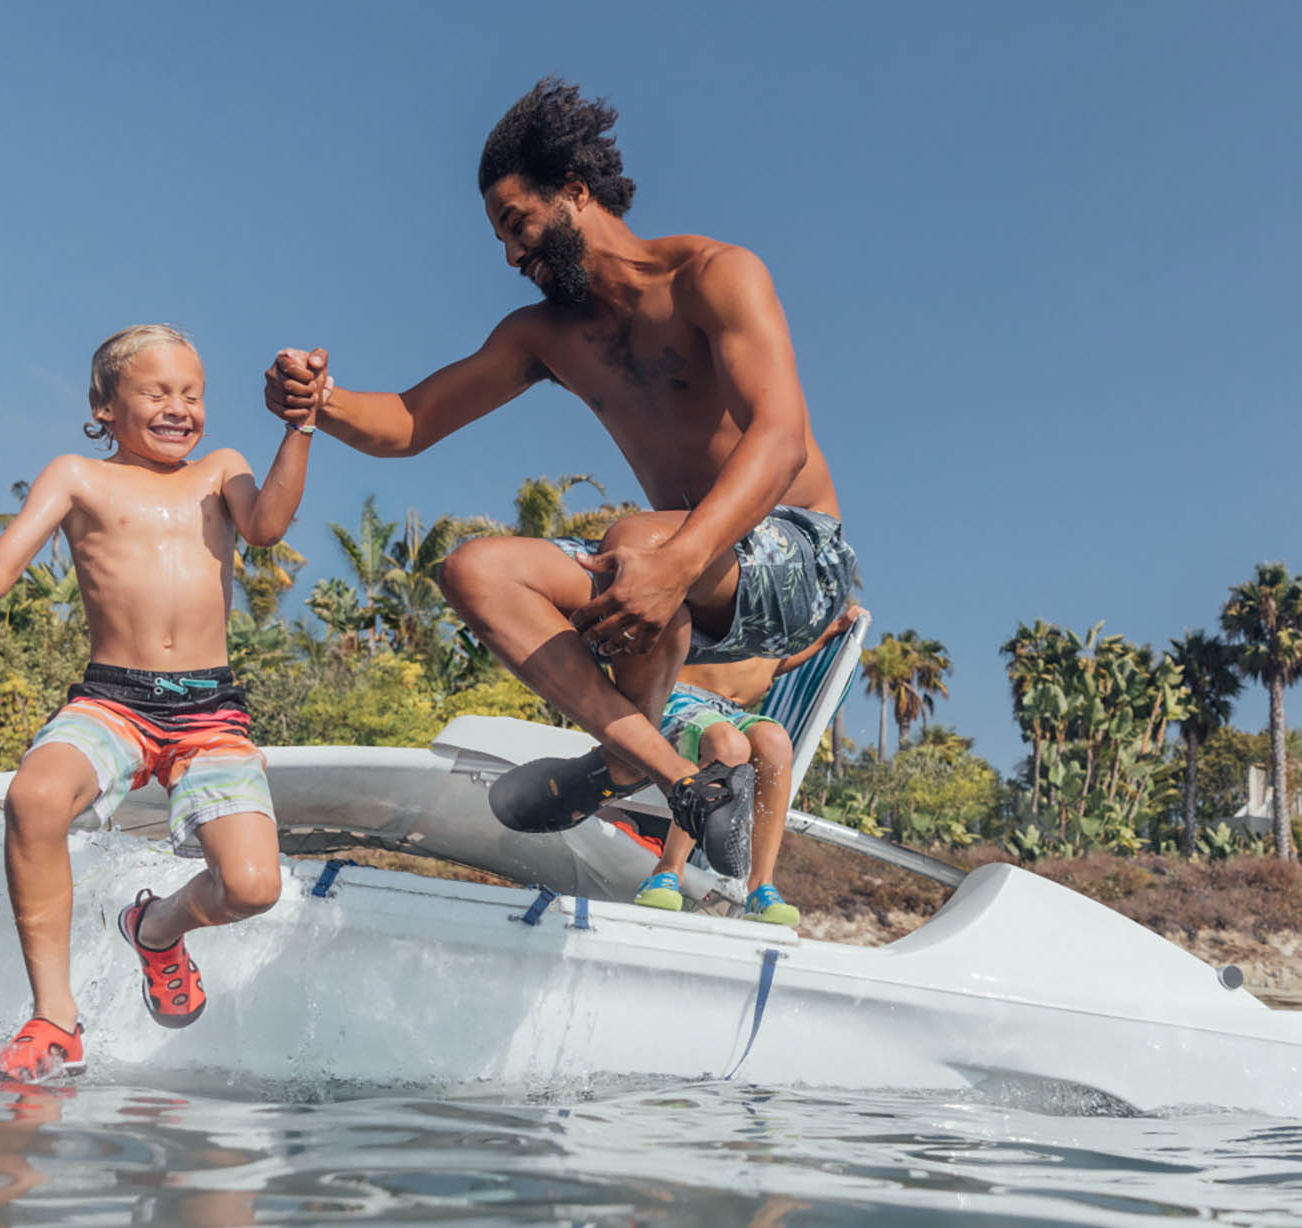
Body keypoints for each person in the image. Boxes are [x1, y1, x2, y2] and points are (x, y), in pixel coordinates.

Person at [265, 78, 856, 880]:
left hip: (798, 557)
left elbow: (781, 438)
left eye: (519, 225)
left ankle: (614, 763)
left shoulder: (711, 275)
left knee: (635, 541)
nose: (512, 256)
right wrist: (320, 401)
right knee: (474, 569)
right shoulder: (542, 336)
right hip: (680, 569)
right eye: (502, 240)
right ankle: (666, 772)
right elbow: (409, 421)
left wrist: (675, 564)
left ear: (575, 194)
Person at [0, 323, 316, 1081]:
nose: (178, 407)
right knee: (35, 796)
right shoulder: (76, 477)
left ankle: (156, 928)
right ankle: (54, 1021)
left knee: (253, 887)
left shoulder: (220, 470)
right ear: (104, 404)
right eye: (156, 392)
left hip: (209, 714)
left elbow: (268, 526)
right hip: (113, 703)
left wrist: (300, 427)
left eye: (191, 393)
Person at [632, 605, 863, 926]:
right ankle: (668, 870)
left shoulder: (774, 618)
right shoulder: (727, 593)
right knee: (729, 744)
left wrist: (830, 631)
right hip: (678, 699)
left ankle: (760, 886)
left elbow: (777, 663)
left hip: (730, 711)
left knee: (775, 740)